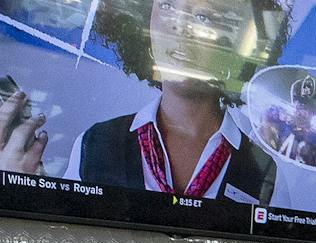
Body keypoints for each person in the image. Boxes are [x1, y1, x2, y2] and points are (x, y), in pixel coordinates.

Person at [61, 0, 290, 203]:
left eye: (204, 16)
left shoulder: (266, 174)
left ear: (241, 40)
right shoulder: (94, 145)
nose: (180, 28)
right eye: (167, 6)